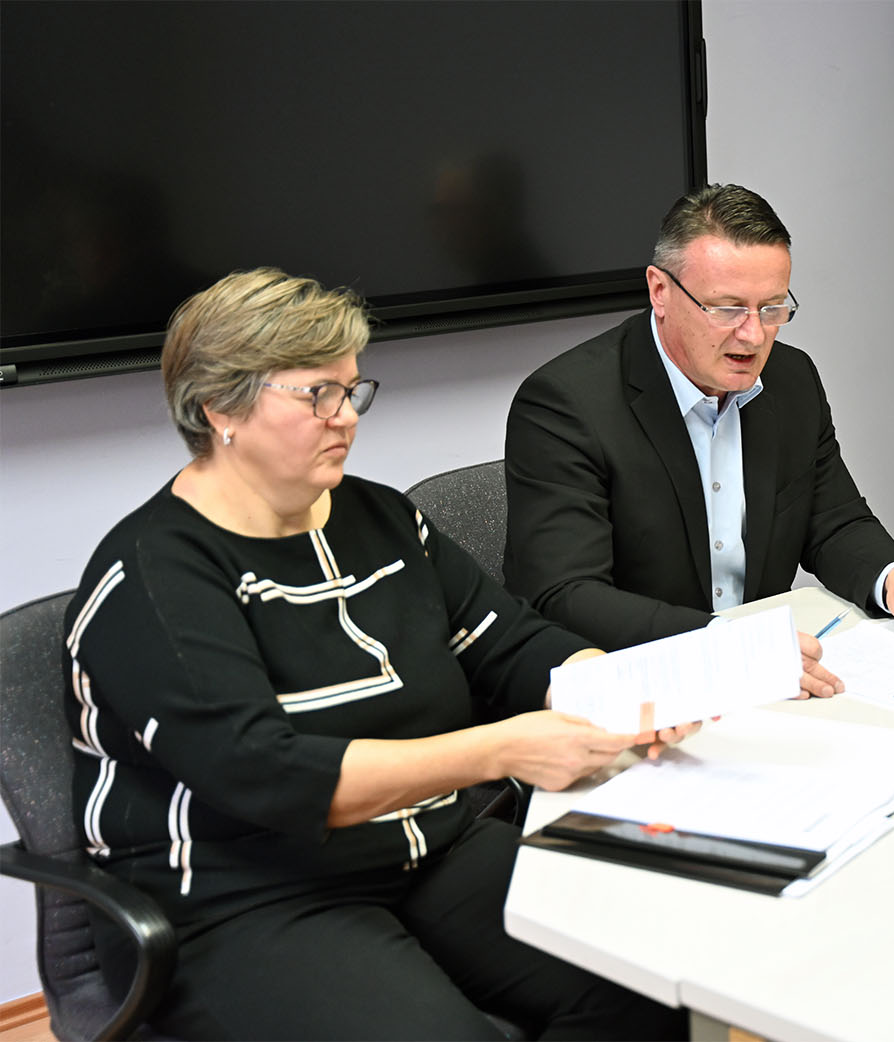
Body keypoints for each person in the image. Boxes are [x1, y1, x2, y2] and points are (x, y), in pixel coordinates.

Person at [64, 268, 690, 1041]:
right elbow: (270, 775)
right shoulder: (152, 577)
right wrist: (501, 749)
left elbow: (511, 643)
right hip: (243, 896)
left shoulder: (383, 520)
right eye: (316, 395)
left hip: (424, 846)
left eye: (352, 390)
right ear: (219, 408)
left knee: (658, 982)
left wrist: (623, 687)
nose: (346, 418)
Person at [503, 184, 894, 697]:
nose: (753, 336)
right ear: (660, 291)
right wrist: (728, 646)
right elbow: (566, 594)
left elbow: (833, 520)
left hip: (768, 687)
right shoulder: (567, 404)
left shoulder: (792, 380)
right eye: (727, 309)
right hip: (638, 690)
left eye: (772, 308)